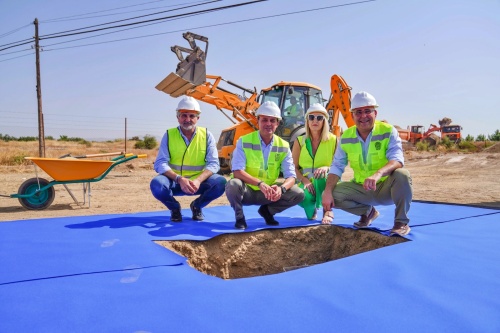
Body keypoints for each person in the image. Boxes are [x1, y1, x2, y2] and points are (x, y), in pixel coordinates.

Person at [321, 91, 413, 236]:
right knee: (332, 194)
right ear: (352, 115)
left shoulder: (388, 131)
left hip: (385, 188)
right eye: (358, 112)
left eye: (367, 111)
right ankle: (367, 212)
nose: (363, 116)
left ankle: (401, 222)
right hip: (361, 189)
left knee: (402, 175)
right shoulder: (346, 137)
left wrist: (378, 174)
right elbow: (337, 166)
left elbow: (397, 160)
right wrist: (327, 192)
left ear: (375, 113)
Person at [225, 101, 304, 230]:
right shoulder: (244, 141)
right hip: (248, 191)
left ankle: (267, 211)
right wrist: (260, 184)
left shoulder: (283, 146)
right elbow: (237, 171)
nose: (268, 124)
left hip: (269, 194)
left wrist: (281, 189)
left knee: (298, 193)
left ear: (277, 123)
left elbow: (291, 177)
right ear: (258, 121)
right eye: (264, 120)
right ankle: (239, 217)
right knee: (233, 185)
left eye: (272, 120)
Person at [150, 96, 227, 222]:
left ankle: (197, 206)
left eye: (192, 116)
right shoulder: (169, 135)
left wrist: (197, 180)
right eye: (184, 115)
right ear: (178, 117)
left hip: (198, 183)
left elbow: (213, 164)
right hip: (174, 182)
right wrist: (179, 179)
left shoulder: (207, 135)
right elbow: (160, 163)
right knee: (157, 184)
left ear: (198, 118)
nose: (187, 119)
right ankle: (175, 208)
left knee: (221, 183)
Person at [292, 103, 337, 222]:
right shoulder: (299, 141)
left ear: (324, 121)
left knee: (320, 174)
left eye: (319, 118)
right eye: (311, 117)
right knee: (303, 197)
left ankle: (326, 210)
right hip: (307, 182)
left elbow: (339, 164)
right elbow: (294, 168)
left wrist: (327, 167)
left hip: (326, 180)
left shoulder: (334, 140)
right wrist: (305, 180)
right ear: (307, 120)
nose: (315, 120)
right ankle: (313, 208)